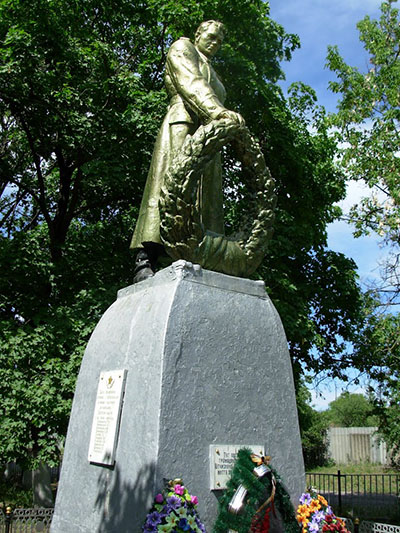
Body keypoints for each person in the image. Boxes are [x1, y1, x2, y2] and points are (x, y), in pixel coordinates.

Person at [131, 20, 244, 282]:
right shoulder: (183, 48)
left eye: (220, 41)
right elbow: (190, 82)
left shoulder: (215, 74)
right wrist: (219, 113)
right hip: (183, 125)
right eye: (212, 36)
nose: (215, 43)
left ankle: (199, 254)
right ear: (199, 34)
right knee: (166, 188)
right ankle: (145, 258)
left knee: (206, 202)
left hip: (209, 136)